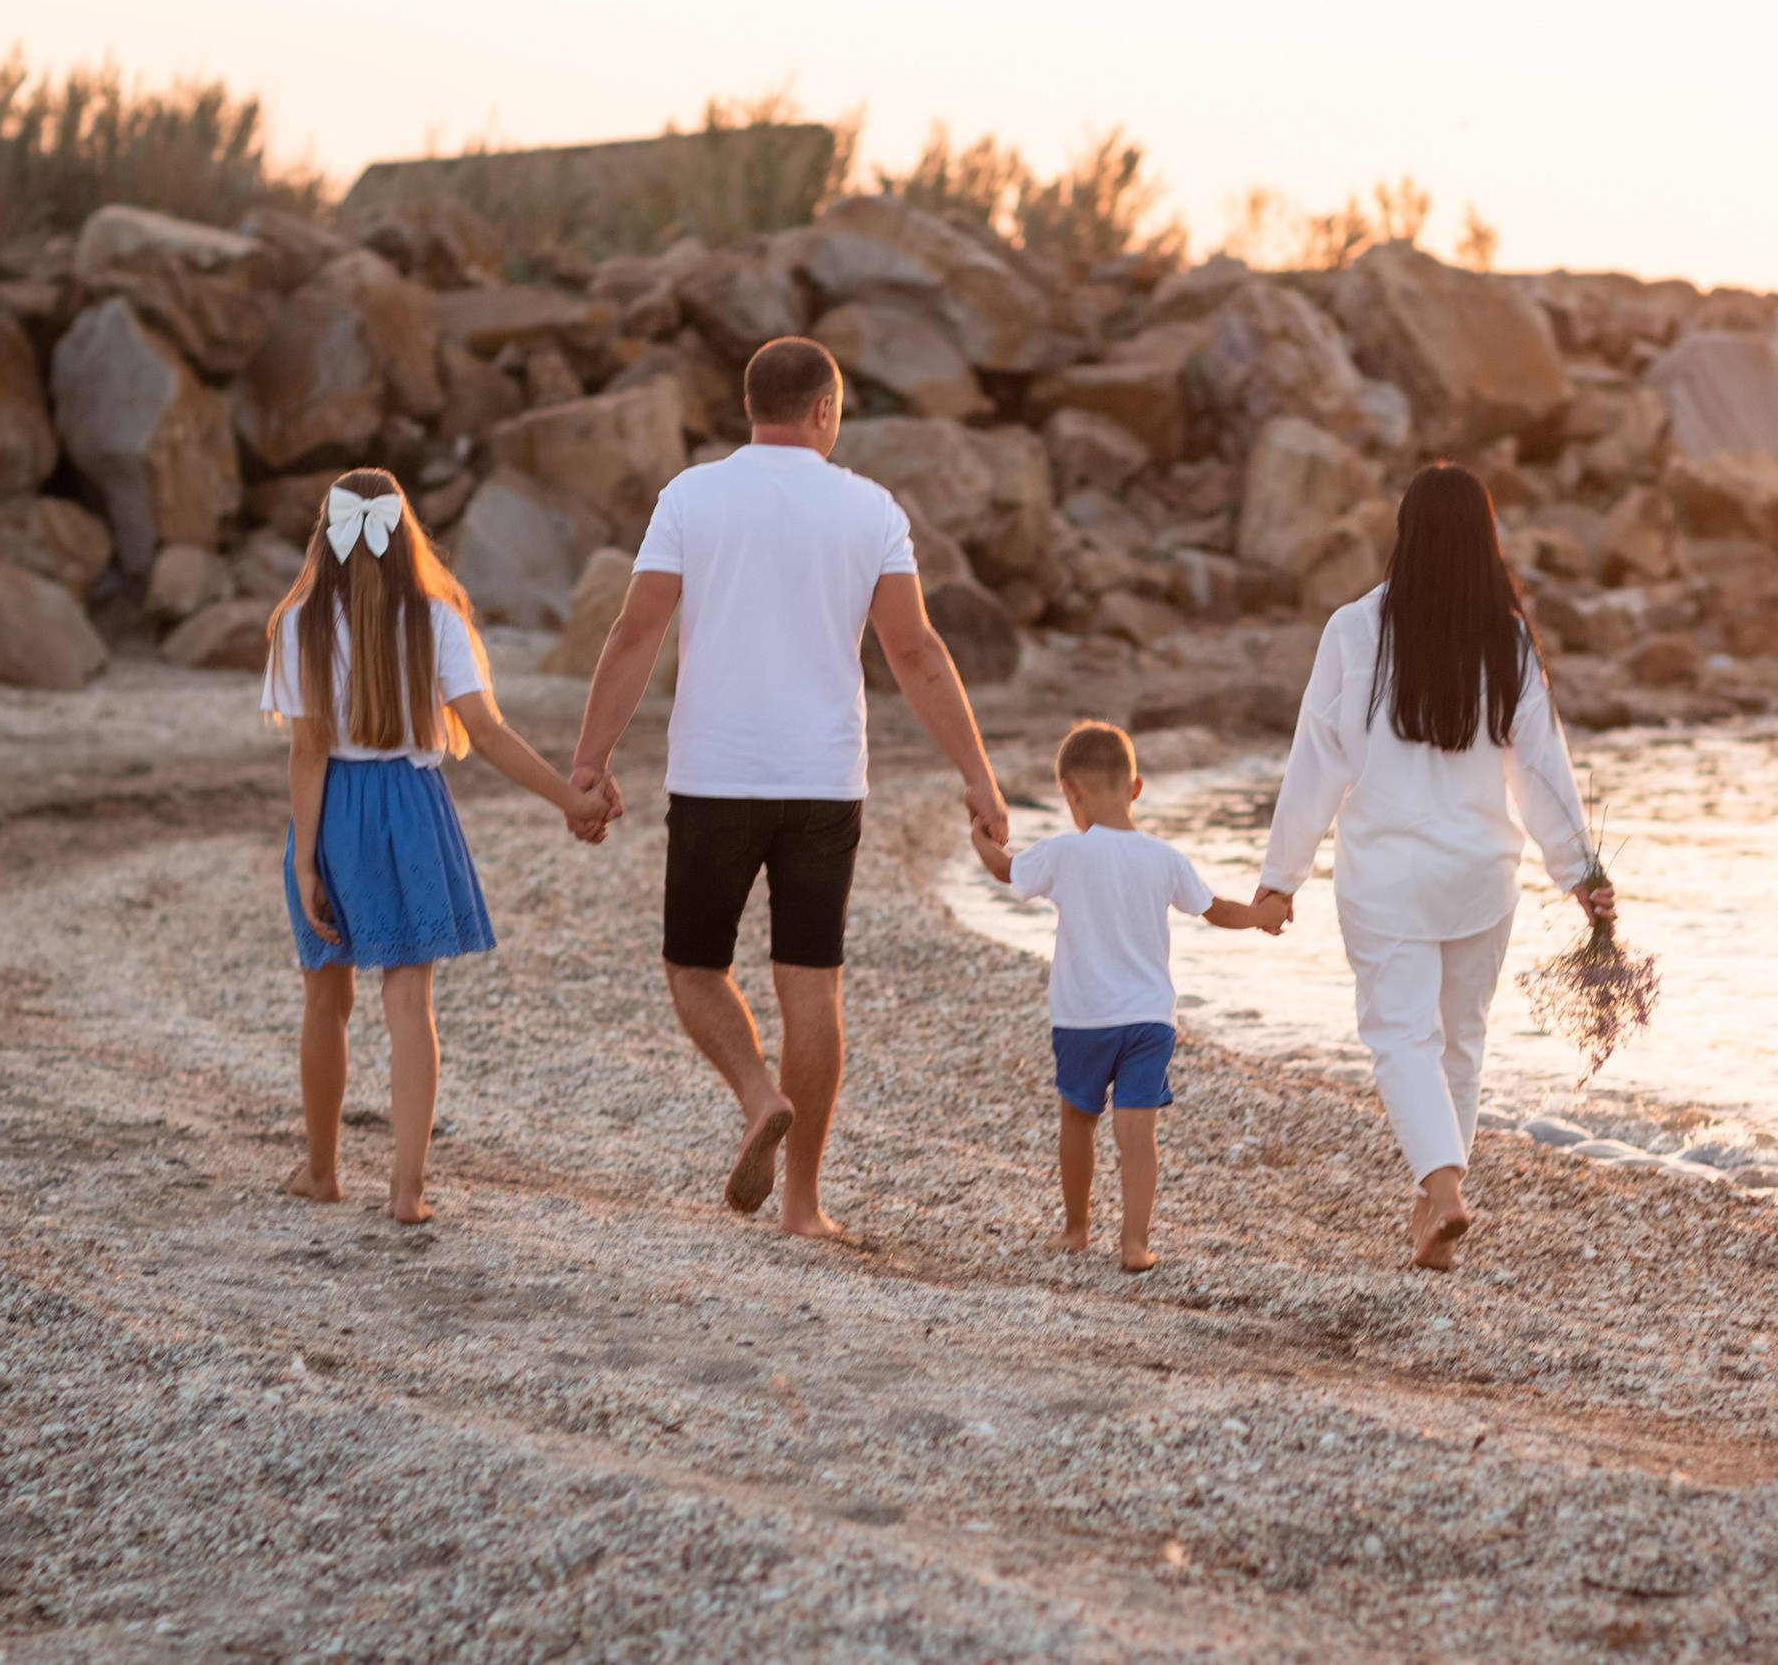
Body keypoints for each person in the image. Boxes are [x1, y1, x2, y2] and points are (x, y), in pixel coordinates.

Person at [570, 337, 1009, 1239]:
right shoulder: (870, 509)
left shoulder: (692, 496)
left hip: (714, 777)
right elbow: (916, 652)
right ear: (825, 410)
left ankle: (758, 1091)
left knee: (695, 968)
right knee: (813, 985)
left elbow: (634, 631)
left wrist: (591, 759)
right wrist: (978, 776)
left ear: (749, 408)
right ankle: (804, 1206)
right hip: (823, 784)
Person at [1254, 463, 1614, 1271]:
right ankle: (1430, 1211)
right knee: (1461, 1041)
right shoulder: (1507, 637)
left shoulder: (1353, 629)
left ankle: (1444, 1187)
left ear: (1405, 535)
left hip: (1384, 877)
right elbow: (1544, 770)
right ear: (1486, 541)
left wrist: (1283, 873)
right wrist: (1579, 870)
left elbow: (1317, 759)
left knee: (1400, 1037)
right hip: (1481, 878)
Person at [265, 468, 613, 1223]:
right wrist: (571, 796)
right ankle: (405, 1190)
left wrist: (304, 857)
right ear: (406, 533)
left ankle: (322, 1172)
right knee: (408, 997)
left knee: (327, 995)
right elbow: (486, 733)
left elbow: (307, 751)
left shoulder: (300, 622)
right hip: (412, 807)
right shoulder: (436, 617)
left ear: (326, 533)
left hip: (334, 810)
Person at [970, 721, 1285, 1270]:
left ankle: (1075, 1229)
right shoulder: (1164, 858)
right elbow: (1218, 912)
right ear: (1136, 788)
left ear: (1070, 793)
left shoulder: (1063, 852)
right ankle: (1135, 1244)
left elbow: (1003, 870)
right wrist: (1264, 915)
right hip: (1149, 1021)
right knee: (1138, 1131)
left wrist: (980, 837)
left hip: (1082, 1018)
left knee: (1079, 1118)